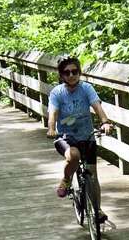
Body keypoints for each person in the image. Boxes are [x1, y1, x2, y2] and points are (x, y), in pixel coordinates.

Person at [45, 57, 112, 204]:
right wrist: (51, 128)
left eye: (74, 71)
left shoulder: (86, 88)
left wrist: (105, 122)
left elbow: (97, 106)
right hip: (65, 137)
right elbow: (53, 113)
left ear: (79, 72)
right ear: (62, 75)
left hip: (87, 136)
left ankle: (97, 210)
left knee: (92, 176)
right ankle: (66, 179)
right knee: (73, 155)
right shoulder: (57, 93)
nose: (71, 75)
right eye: (66, 72)